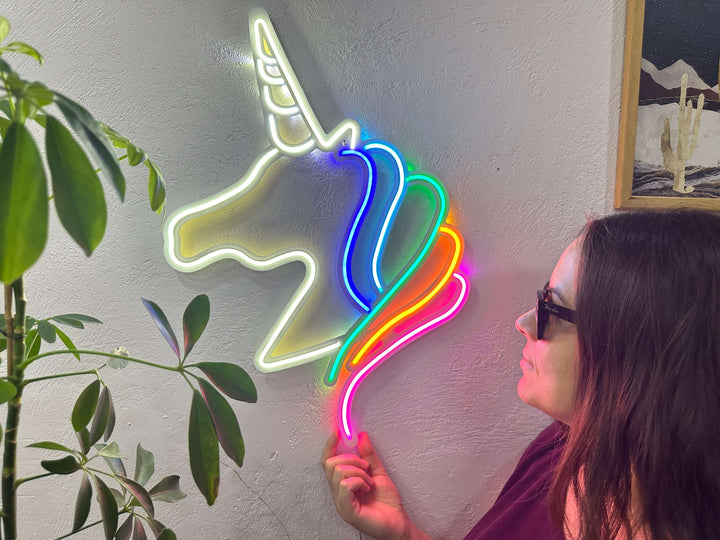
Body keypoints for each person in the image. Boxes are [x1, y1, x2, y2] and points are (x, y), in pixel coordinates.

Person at [321, 210, 720, 540]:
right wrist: (403, 532)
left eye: (552, 308)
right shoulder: (560, 451)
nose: (524, 323)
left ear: (632, 350)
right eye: (541, 298)